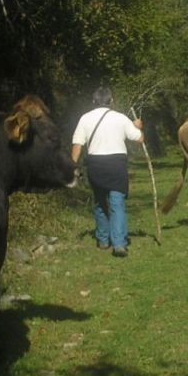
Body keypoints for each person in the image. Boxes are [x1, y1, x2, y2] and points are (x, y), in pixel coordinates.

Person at [71, 86, 144, 257]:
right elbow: (140, 139)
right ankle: (119, 244)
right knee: (117, 203)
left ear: (93, 101)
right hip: (116, 165)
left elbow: (77, 144)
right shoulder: (121, 118)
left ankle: (103, 240)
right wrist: (138, 126)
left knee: (100, 201)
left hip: (95, 165)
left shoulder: (85, 118)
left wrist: (73, 166)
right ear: (111, 101)